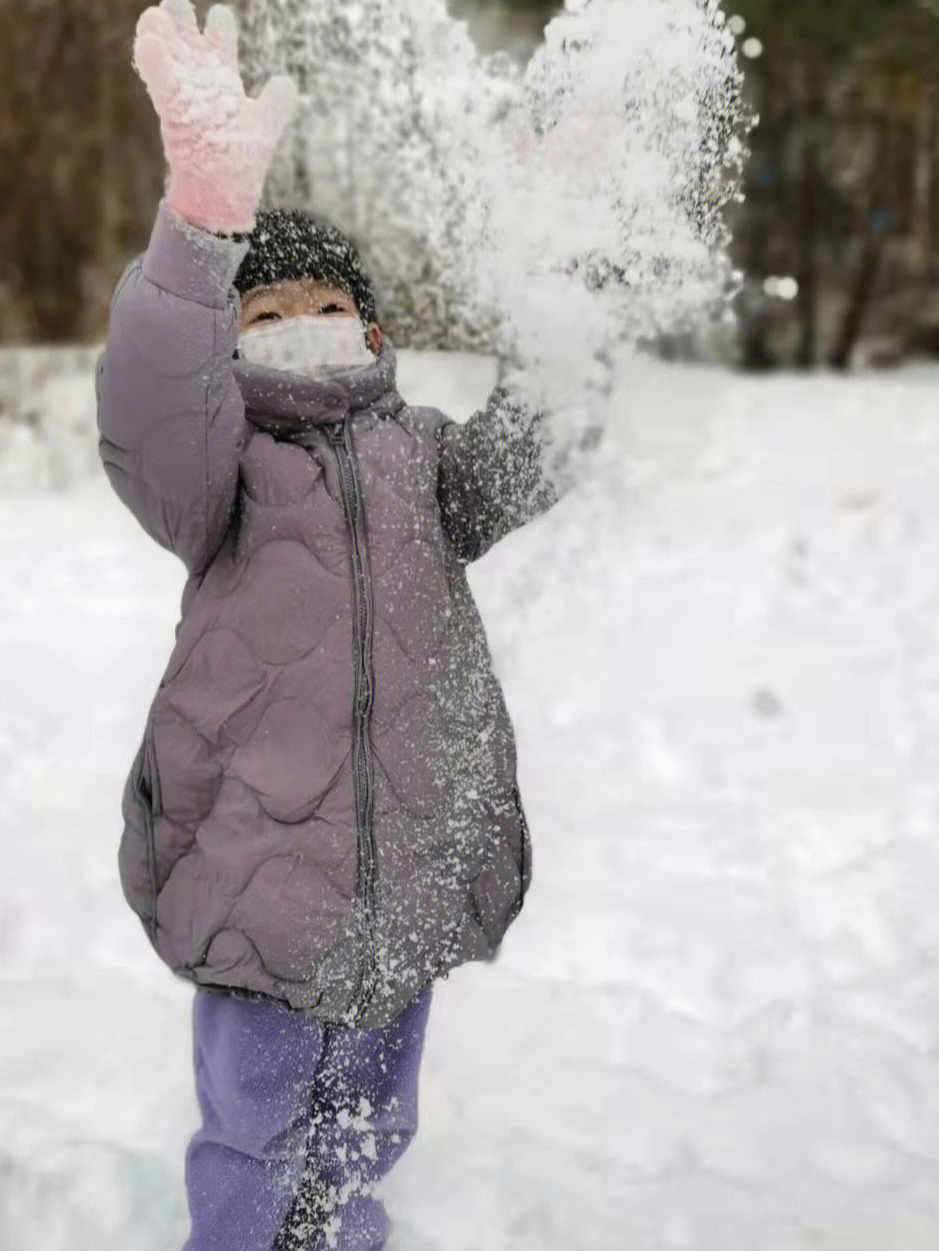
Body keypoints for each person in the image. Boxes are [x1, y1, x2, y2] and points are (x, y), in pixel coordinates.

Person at [96, 3, 560, 1249]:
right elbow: (146, 405)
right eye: (265, 308)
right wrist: (201, 231)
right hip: (259, 886)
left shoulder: (424, 462)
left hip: (402, 879)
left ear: (375, 329)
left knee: (366, 1133)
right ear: (228, 347)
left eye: (327, 300)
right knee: (253, 1131)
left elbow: (543, 441)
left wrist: (559, 273)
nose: (302, 316)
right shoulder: (220, 473)